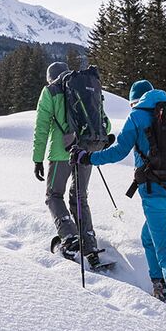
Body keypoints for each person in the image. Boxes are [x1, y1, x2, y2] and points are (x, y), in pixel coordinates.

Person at [70, 79, 166, 319]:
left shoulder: (137, 117)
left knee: (165, 249)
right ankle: (158, 282)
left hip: (155, 193)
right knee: (148, 237)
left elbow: (119, 151)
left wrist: (87, 158)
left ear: (134, 101)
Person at [33, 61, 109, 268]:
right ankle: (90, 246)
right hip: (85, 151)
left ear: (50, 77)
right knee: (80, 197)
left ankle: (69, 237)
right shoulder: (86, 87)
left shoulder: (50, 91)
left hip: (61, 153)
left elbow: (41, 128)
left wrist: (37, 159)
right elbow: (105, 122)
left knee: (53, 195)